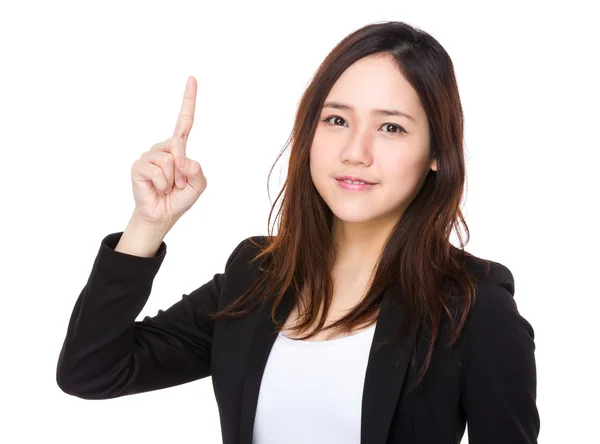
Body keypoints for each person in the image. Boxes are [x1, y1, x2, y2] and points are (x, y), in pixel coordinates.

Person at [56, 21, 540, 444]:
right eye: (336, 120)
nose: (355, 151)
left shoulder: (473, 305)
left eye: (391, 128)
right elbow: (91, 370)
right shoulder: (256, 274)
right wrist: (148, 224)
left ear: (437, 152)